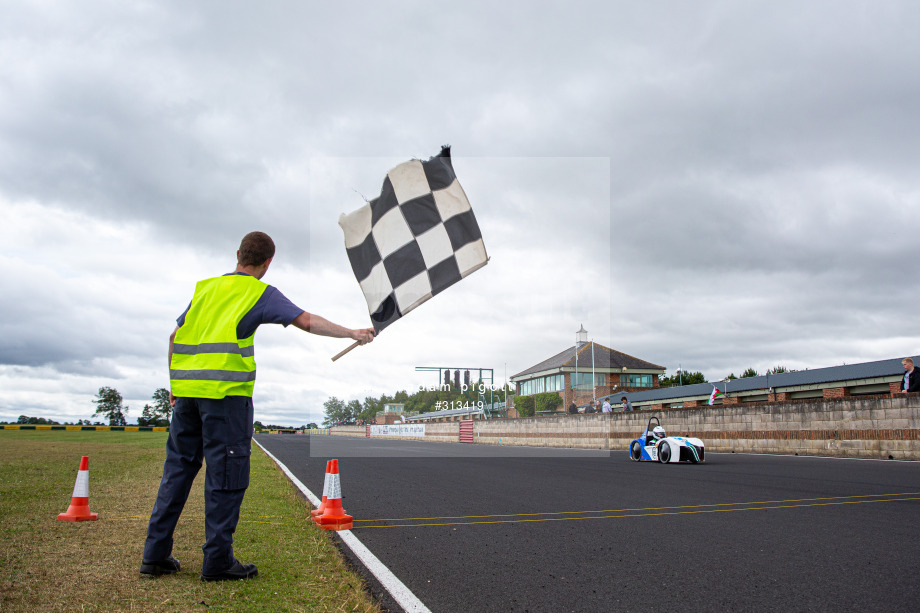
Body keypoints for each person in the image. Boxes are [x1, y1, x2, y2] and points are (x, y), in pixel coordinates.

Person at [140, 232, 375, 581]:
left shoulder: (205, 288)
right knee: (225, 478)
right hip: (226, 398)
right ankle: (217, 561)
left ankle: (155, 556)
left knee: (176, 473)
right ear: (268, 263)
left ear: (237, 254)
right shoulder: (261, 292)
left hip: (186, 395)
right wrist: (353, 333)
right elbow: (307, 321)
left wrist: (175, 386)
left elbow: (174, 336)